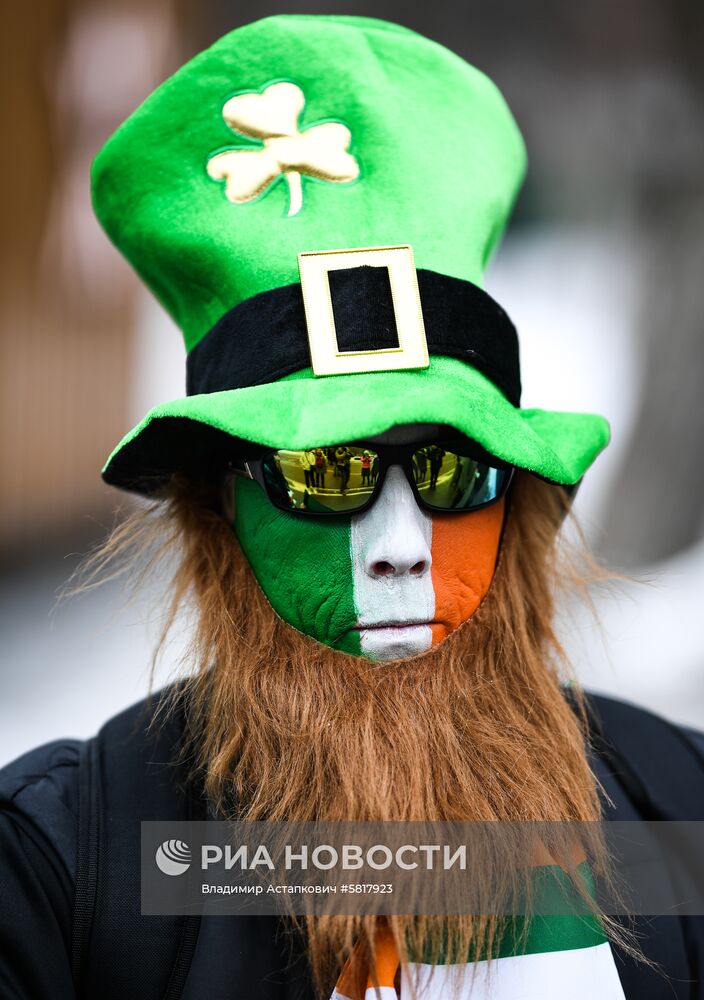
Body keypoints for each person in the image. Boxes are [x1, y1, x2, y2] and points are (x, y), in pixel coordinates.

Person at [1, 15, 703, 1000]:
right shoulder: (66, 869)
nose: (399, 547)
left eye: (454, 470)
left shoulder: (683, 815)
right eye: (326, 473)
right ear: (218, 509)